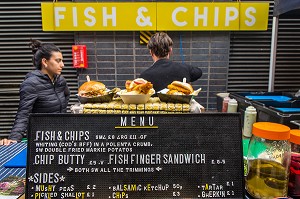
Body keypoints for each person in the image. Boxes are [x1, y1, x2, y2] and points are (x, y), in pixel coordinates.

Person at [0, 40, 70, 145]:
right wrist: (14, 138)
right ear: (45, 62)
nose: (62, 65)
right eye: (58, 61)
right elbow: (23, 114)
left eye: (62, 61)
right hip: (41, 139)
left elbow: (66, 95)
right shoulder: (31, 84)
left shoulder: (60, 80)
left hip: (60, 135)